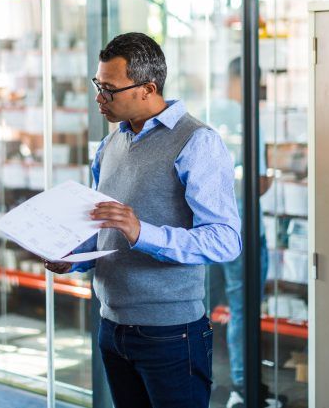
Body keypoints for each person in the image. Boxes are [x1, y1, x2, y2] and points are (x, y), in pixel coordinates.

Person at [46, 32, 242, 408]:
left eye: (109, 89)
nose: (99, 97)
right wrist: (71, 257)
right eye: (97, 85)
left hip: (171, 333)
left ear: (148, 88)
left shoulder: (196, 142)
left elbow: (224, 239)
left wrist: (142, 233)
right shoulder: (110, 145)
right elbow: (103, 228)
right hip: (112, 325)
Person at [212, 57, 284, 408]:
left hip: (235, 226)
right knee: (242, 307)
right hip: (239, 230)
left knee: (243, 305)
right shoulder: (240, 117)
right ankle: (243, 385)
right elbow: (246, 180)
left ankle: (247, 381)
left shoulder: (232, 116)